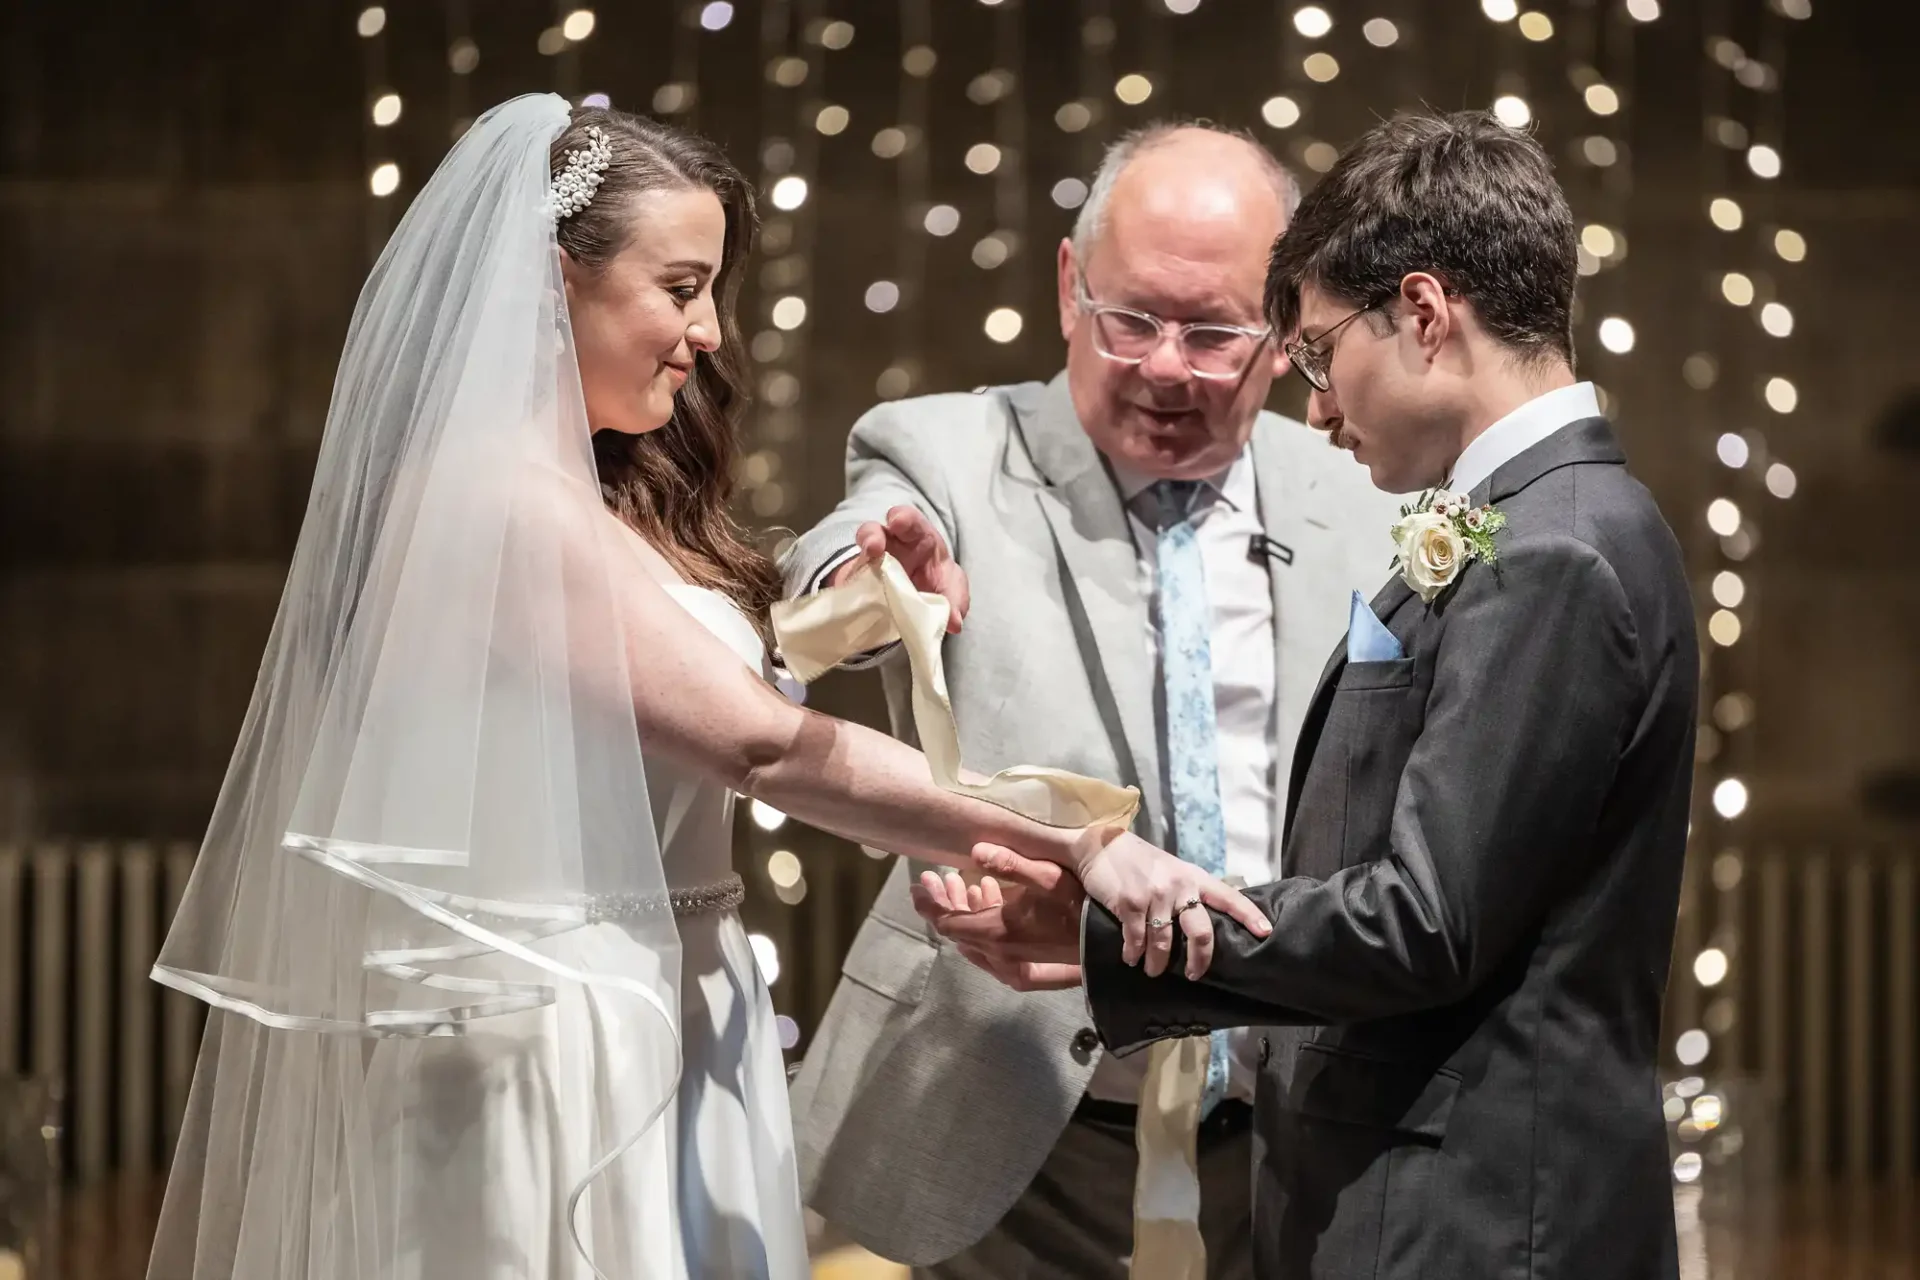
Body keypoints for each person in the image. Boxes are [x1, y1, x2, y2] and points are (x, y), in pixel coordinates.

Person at [144, 95, 1259, 1280]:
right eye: (680, 288)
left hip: (677, 1000)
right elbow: (757, 744)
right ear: (549, 279)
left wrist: (880, 605)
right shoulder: (490, 497)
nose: (711, 330)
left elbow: (684, 662)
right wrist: (1078, 839)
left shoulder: (602, 489)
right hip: (551, 1028)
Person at [919, 109, 1697, 1280]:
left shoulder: (1555, 548)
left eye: (1325, 356)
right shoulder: (1528, 518)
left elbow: (1422, 920)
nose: (1318, 407)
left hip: (1476, 1216)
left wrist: (1114, 938)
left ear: (1426, 315)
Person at [783, 123, 1397, 1278]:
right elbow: (831, 557)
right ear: (1071, 287)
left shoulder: (1361, 487)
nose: (1168, 365)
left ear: (1284, 326)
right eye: (1132, 319)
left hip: (1301, 1118)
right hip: (1015, 1112)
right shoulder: (949, 450)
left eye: (1215, 331)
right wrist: (872, 579)